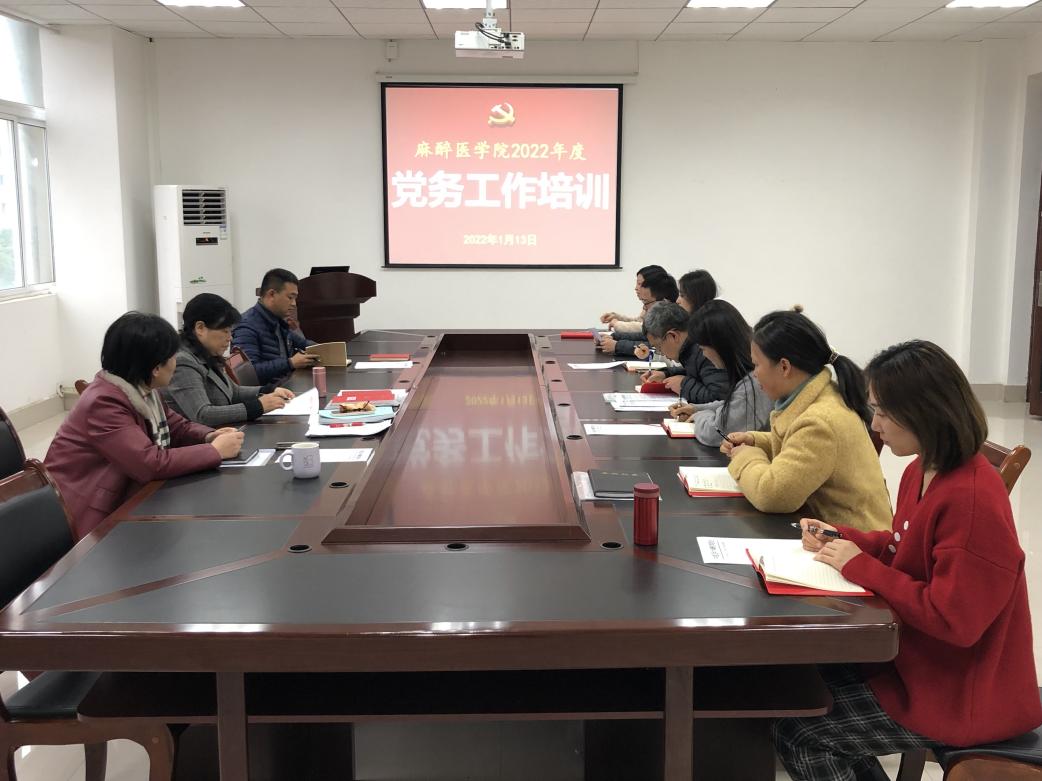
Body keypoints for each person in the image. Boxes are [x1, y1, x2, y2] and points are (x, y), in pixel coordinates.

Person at [774, 340, 1041, 780]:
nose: (875, 424)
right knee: (800, 679)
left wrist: (859, 564)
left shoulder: (972, 498)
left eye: (882, 412)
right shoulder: (922, 467)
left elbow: (954, 620)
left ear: (924, 413)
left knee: (801, 733)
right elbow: (905, 546)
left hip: (960, 692)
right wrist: (846, 538)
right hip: (921, 661)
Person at [45, 312, 244, 540]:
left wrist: (210, 436)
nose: (176, 362)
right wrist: (214, 451)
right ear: (155, 368)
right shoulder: (103, 403)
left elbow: (177, 427)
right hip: (92, 515)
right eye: (173, 356)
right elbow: (149, 463)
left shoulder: (143, 388)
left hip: (131, 495)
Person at [721, 307, 891, 532]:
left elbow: (771, 494)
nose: (754, 373)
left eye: (757, 364)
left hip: (855, 541)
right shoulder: (820, 396)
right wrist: (755, 440)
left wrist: (745, 456)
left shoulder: (820, 422)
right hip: (828, 533)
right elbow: (798, 445)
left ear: (784, 367)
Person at [163, 293, 296, 426]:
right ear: (200, 328)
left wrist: (268, 391)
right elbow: (202, 415)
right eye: (225, 331)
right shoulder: (182, 362)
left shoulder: (205, 354)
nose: (230, 338)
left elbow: (234, 392)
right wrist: (258, 406)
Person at [667, 300, 769, 446]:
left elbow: (715, 433)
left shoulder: (755, 384)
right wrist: (696, 408)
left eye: (703, 349)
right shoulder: (749, 379)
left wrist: (699, 415)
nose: (704, 355)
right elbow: (735, 403)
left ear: (719, 346)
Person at [232, 268, 318, 384]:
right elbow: (249, 374)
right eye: (290, 297)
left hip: (285, 386)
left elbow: (303, 343)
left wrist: (325, 349)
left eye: (295, 298)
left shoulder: (277, 321)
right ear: (271, 294)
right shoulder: (246, 326)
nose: (294, 304)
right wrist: (291, 363)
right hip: (268, 392)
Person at [638, 301, 729, 403]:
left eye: (659, 347)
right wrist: (666, 374)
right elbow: (697, 373)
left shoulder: (706, 350)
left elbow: (720, 398)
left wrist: (683, 385)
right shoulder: (691, 347)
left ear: (673, 336)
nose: (661, 353)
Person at [599, 271, 678, 358]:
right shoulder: (651, 305)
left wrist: (617, 344)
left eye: (640, 284)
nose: (636, 288)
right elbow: (643, 330)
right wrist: (613, 336)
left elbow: (649, 338)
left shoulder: (664, 310)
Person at [599, 265, 667, 328]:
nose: (636, 288)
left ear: (654, 287)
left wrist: (617, 324)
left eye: (639, 284)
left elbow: (646, 328)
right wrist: (617, 317)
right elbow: (639, 321)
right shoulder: (649, 304)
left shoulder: (665, 308)